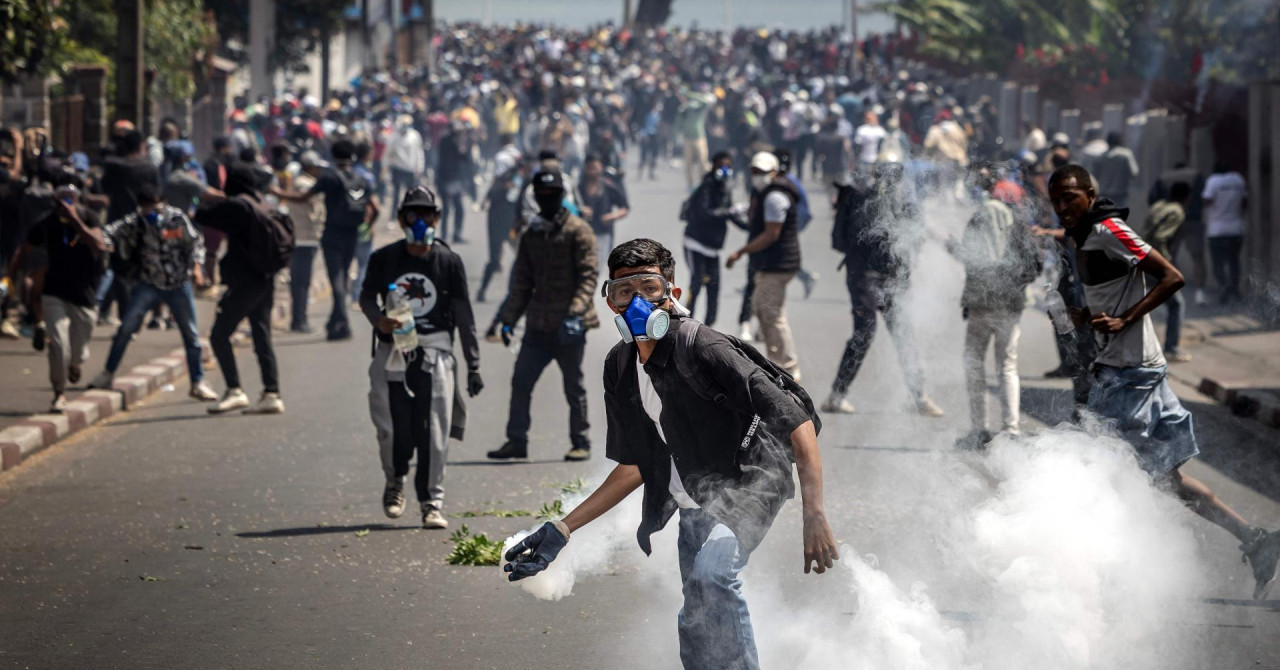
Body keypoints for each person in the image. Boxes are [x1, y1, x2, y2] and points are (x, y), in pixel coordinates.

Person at [503, 238, 839, 670]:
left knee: (713, 576)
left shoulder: (705, 347)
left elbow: (797, 422)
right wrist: (563, 530)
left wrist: (815, 514)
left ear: (672, 294)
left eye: (649, 287)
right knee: (698, 614)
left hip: (751, 482)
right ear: (610, 301)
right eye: (624, 291)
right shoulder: (620, 367)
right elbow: (633, 467)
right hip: (694, 499)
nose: (636, 302)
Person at [1047, 163, 1280, 599]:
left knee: (1099, 470)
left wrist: (1125, 319)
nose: (1063, 207)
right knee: (1165, 480)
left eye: (1070, 197)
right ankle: (1257, 540)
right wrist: (1084, 315)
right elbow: (1102, 286)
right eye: (1056, 200)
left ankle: (1112, 579)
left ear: (1090, 195)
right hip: (1122, 369)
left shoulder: (1109, 229)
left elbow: (1173, 276)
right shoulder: (1080, 233)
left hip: (1132, 374)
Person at [359, 186, 484, 530]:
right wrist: (378, 320)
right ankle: (394, 480)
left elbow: (463, 313)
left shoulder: (448, 261)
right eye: (413, 214)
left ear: (437, 218)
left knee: (433, 428)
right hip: (393, 351)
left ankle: (432, 501)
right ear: (401, 219)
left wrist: (473, 363)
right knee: (391, 425)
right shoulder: (383, 259)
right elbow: (368, 297)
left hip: (435, 351)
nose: (420, 220)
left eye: (427, 214)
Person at [489, 170, 599, 462]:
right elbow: (522, 283)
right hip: (538, 325)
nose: (546, 199)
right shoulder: (532, 235)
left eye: (552, 194)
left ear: (562, 196)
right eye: (542, 195)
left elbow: (589, 278)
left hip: (569, 327)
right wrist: (509, 319)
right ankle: (516, 441)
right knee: (521, 381)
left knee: (573, 386)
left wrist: (574, 313)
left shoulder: (579, 231)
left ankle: (581, 441)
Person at [824, 164, 945, 417]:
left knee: (903, 335)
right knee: (865, 334)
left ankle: (918, 396)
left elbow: (914, 237)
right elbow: (855, 238)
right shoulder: (861, 200)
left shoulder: (902, 204)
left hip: (891, 279)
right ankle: (837, 395)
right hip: (864, 278)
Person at [83, 182, 217, 402]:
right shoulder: (135, 222)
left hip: (178, 284)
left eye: (155, 207)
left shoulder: (176, 219)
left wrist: (196, 268)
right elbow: (109, 233)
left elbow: (194, 243)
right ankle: (107, 374)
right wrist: (100, 241)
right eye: (147, 208)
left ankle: (197, 382)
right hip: (148, 284)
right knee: (126, 329)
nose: (152, 213)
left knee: (191, 335)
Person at [951, 167, 1041, 446]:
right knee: (1008, 366)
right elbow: (1032, 262)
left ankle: (979, 429)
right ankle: (1011, 429)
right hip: (1011, 303)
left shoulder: (980, 215)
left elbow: (968, 255)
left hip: (981, 302)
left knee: (975, 364)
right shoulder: (1015, 219)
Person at [197, 162, 288, 415]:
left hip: (245, 282)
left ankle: (234, 390)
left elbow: (202, 215)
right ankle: (271, 393)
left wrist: (205, 194)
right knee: (261, 335)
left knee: (219, 334)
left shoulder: (238, 205)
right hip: (266, 279)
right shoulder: (265, 205)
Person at [11, 183, 107, 411]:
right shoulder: (46, 223)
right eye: (61, 200)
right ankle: (59, 393)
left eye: (70, 199)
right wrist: (11, 277)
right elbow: (24, 249)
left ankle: (74, 365)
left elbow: (98, 245)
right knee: (58, 346)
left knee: (78, 352)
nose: (65, 205)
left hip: (84, 295)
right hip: (54, 292)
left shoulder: (89, 218)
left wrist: (75, 219)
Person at [277, 139, 378, 341]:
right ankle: (335, 322)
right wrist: (367, 226)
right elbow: (376, 208)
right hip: (353, 234)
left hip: (332, 235)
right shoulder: (362, 179)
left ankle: (343, 324)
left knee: (337, 279)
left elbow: (302, 198)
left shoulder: (329, 178)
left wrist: (276, 192)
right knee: (343, 275)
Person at [726, 152, 802, 381]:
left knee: (771, 313)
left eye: (761, 172)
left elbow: (771, 234)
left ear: (774, 171)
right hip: (772, 263)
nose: (756, 176)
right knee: (763, 309)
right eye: (754, 171)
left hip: (778, 264)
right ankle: (779, 363)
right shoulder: (765, 193)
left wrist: (741, 252)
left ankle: (787, 368)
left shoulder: (775, 197)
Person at [680, 152, 746, 328]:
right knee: (697, 282)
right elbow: (705, 213)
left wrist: (751, 226)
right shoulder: (706, 186)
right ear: (714, 166)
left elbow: (731, 215)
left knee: (714, 286)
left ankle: (709, 326)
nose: (726, 170)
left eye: (729, 166)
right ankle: (686, 321)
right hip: (695, 243)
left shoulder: (725, 188)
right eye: (722, 166)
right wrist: (729, 212)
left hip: (713, 247)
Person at [1140, 182, 1192, 362]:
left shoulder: (1158, 206)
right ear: (1187, 198)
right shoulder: (1177, 211)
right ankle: (1171, 348)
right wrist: (1166, 264)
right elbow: (1161, 237)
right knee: (1176, 304)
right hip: (1155, 262)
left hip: (1140, 257)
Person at [286, 151, 326, 333]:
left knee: (301, 282)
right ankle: (299, 320)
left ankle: (299, 318)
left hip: (305, 239)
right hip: (303, 239)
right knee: (301, 282)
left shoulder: (305, 183)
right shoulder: (304, 185)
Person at [1202, 161, 1247, 304]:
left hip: (1217, 230)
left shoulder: (1213, 181)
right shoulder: (1238, 179)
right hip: (1236, 228)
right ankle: (1234, 289)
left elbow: (1207, 200)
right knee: (1234, 261)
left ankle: (1224, 286)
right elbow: (1244, 202)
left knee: (1218, 263)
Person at [577, 154, 630, 269]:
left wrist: (612, 216)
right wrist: (580, 210)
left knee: (597, 267)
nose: (591, 172)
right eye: (589, 168)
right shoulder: (578, 188)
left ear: (601, 167)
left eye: (594, 168)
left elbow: (624, 208)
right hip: (582, 233)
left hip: (603, 233)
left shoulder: (609, 186)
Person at [385, 115, 424, 211]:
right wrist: (385, 167)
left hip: (410, 169)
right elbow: (388, 153)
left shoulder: (414, 136)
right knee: (396, 194)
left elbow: (419, 152)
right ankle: (393, 216)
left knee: (410, 194)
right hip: (397, 168)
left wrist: (420, 167)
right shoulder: (394, 137)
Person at [1092, 132, 1139, 207]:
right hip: (1120, 195)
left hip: (1104, 195)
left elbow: (1094, 175)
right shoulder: (1126, 155)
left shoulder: (1101, 157)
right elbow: (1134, 173)